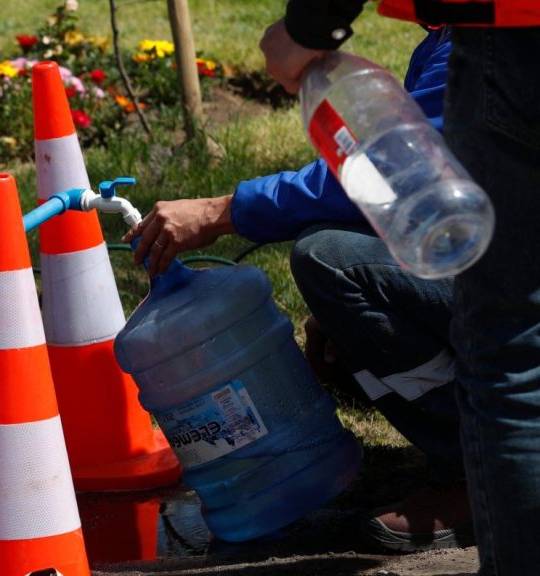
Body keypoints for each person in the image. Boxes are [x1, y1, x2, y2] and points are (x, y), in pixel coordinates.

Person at [126, 26, 472, 552]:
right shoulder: (454, 35)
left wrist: (223, 212)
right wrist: (347, 309)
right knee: (345, 288)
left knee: (328, 259)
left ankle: (482, 473)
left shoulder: (486, 42)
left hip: (538, 279)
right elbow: (420, 193)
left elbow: (385, 175)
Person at [258, 2, 540, 574]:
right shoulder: (435, 48)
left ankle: (471, 482)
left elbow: (386, 176)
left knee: (516, 352)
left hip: (531, 33)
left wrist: (309, 26)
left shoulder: (461, 46)